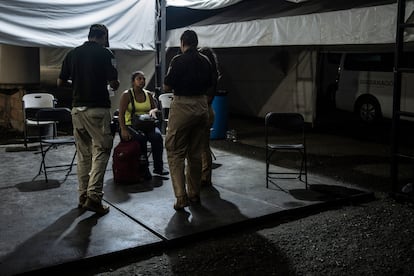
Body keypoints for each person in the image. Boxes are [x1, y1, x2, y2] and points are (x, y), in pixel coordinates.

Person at [57, 24, 120, 215]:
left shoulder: (72, 54)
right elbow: (114, 83)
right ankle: (93, 197)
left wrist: (78, 84)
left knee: (83, 154)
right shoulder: (106, 53)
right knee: (102, 150)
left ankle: (83, 196)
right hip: (97, 110)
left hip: (77, 110)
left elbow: (60, 82)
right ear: (103, 36)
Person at [163, 30, 213, 210]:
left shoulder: (178, 60)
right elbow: (210, 83)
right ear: (196, 43)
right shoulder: (205, 60)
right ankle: (194, 194)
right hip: (201, 105)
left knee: (175, 151)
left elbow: (168, 85)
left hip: (183, 105)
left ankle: (181, 197)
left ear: (183, 42)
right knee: (195, 153)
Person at [118, 70, 169, 178]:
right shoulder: (127, 95)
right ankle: (143, 169)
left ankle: (158, 167)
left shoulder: (148, 94)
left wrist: (153, 111)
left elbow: (155, 108)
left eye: (143, 79)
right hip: (131, 125)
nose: (142, 81)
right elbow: (121, 114)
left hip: (146, 124)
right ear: (133, 82)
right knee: (141, 139)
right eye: (139, 79)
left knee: (157, 137)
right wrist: (123, 129)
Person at [198, 47, 220, 187]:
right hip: (209, 111)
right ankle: (205, 176)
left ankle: (204, 177)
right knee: (204, 146)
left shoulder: (207, 77)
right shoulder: (213, 75)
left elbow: (207, 98)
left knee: (201, 147)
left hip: (204, 111)